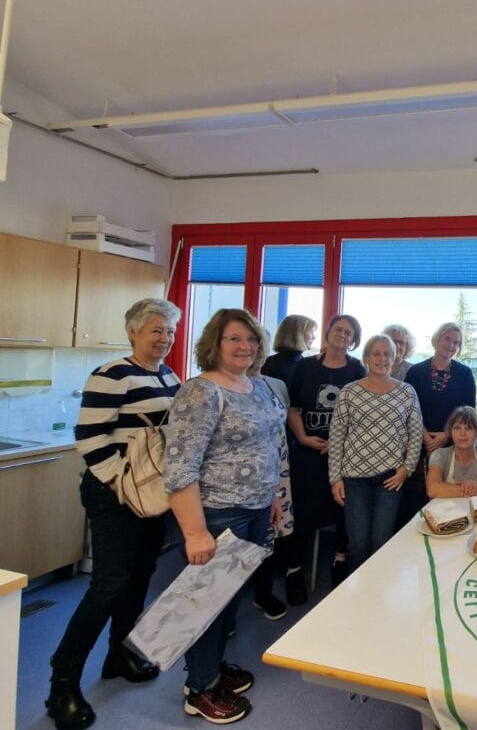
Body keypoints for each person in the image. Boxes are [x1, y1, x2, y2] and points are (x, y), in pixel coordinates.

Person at [46, 299, 182, 730]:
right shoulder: (112, 374)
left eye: (170, 331)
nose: (165, 338)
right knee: (108, 585)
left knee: (139, 578)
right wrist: (119, 485)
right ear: (133, 332)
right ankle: (62, 684)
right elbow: (89, 438)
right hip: (115, 496)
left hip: (151, 496)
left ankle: (119, 654)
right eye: (156, 330)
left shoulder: (168, 375)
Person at [164, 308, 286, 725]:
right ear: (214, 343)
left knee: (229, 599)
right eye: (234, 338)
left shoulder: (256, 385)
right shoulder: (201, 391)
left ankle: (212, 669)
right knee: (206, 603)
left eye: (251, 339)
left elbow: (268, 444)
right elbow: (180, 467)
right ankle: (200, 689)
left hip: (256, 507)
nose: (245, 346)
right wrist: (195, 532)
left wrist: (272, 496)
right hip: (217, 512)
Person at [328, 334, 423, 571]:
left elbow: (415, 434)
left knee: (382, 542)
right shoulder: (349, 392)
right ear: (367, 358)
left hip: (390, 479)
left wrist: (406, 469)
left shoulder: (407, 392)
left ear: (395, 358)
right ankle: (355, 592)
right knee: (358, 544)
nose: (382, 359)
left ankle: (378, 591)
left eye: (387, 354)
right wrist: (335, 478)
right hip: (354, 479)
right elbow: (337, 436)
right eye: (376, 353)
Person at [286, 314, 366, 596]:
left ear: (354, 340)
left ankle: (340, 559)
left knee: (344, 509)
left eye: (349, 333)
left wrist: (338, 443)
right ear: (328, 332)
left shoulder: (357, 369)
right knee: (303, 512)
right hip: (307, 453)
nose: (343, 335)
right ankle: (294, 568)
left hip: (343, 455)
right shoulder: (306, 366)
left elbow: (363, 414)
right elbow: (293, 408)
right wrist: (302, 437)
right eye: (339, 329)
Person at [402, 322, 477, 523]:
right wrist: (426, 437)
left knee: (450, 498)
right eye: (447, 339)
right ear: (437, 339)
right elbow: (409, 408)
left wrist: (446, 434)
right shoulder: (416, 372)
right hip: (418, 442)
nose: (451, 345)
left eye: (456, 342)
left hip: (453, 442)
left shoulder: (465, 373)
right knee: (418, 499)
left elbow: (469, 410)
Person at [248, 358, 295, 621]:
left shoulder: (275, 385)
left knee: (267, 533)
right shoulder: (221, 385)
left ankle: (262, 591)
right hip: (242, 476)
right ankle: (224, 611)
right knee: (234, 541)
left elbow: (283, 424)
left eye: (257, 344)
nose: (252, 351)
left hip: (277, 470)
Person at [425, 406, 477, 498]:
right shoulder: (439, 455)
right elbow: (432, 489)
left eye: (469, 428)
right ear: (450, 432)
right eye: (457, 428)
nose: (462, 433)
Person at [262, 314, 317, 390]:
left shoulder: (307, 364)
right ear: (297, 333)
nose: (314, 337)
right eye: (311, 331)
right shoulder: (270, 365)